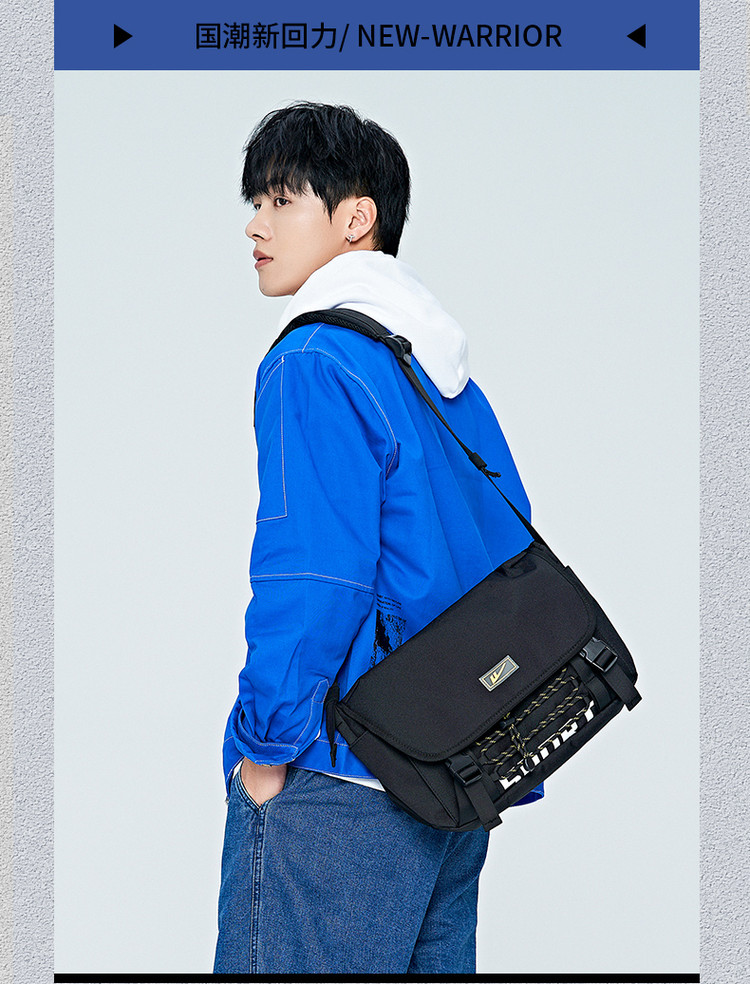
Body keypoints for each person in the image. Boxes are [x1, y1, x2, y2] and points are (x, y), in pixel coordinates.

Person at [213, 101, 544, 975]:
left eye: (281, 200)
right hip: (446, 779)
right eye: (256, 203)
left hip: (338, 777)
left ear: (356, 217)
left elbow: (313, 575)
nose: (255, 225)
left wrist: (265, 750)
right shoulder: (436, 368)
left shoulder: (315, 360)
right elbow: (503, 553)